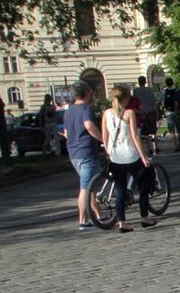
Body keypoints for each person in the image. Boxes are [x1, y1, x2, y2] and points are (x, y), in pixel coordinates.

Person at [101, 82, 155, 232]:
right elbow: (135, 137)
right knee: (143, 186)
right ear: (125, 99)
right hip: (131, 155)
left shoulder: (106, 113)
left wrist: (108, 152)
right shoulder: (129, 113)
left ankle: (122, 223)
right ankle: (144, 217)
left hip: (115, 157)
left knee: (120, 190)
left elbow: (104, 137)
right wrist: (143, 156)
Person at [62, 82, 102, 232]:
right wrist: (103, 139)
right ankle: (83, 220)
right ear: (87, 93)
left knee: (90, 185)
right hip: (86, 151)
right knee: (85, 187)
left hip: (73, 153)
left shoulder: (69, 111)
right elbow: (89, 126)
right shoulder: (86, 109)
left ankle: (99, 216)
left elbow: (66, 132)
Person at [132, 75, 161, 154]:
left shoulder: (136, 91)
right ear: (145, 82)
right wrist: (157, 113)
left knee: (145, 132)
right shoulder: (150, 90)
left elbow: (135, 102)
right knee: (153, 130)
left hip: (142, 113)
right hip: (151, 112)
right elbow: (154, 102)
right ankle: (156, 146)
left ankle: (149, 148)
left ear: (139, 82)